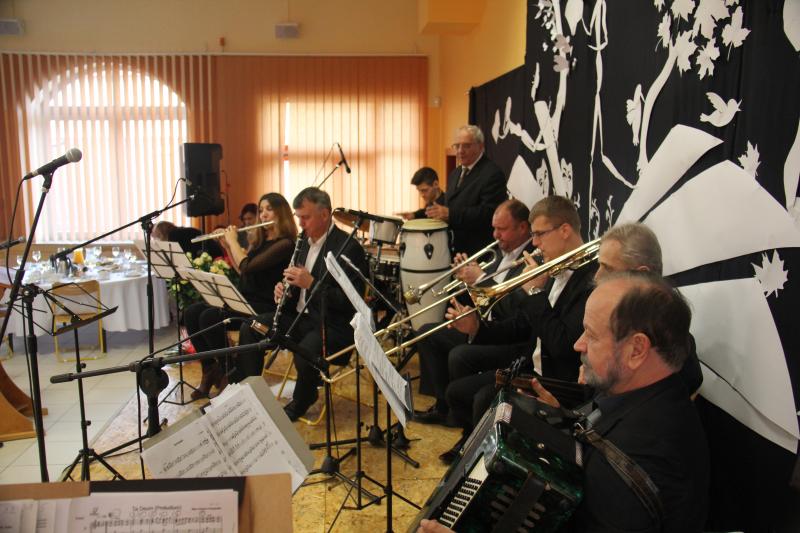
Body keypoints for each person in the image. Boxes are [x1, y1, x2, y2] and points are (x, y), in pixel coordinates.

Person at [418, 272, 709, 533]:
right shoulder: (652, 393)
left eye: (591, 335)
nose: (578, 344)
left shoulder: (629, 466)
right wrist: (563, 418)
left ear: (636, 350)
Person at [437, 195, 596, 462]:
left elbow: (562, 346)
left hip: (558, 381)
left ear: (565, 230)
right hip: (532, 366)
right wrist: (476, 327)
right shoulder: (552, 268)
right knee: (457, 392)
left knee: (484, 398)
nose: (534, 243)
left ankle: (488, 461)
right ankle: (473, 443)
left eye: (539, 234)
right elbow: (521, 326)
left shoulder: (589, 279)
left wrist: (535, 293)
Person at [236, 187, 369, 421]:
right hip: (299, 318)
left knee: (305, 351)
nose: (300, 223)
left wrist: (312, 284)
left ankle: (303, 399)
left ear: (325, 214)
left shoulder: (348, 248)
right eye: (298, 217)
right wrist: (283, 289)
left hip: (331, 324)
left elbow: (349, 302)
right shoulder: (303, 242)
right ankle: (250, 392)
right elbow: (295, 283)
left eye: (305, 217)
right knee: (251, 326)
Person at [414, 199, 535, 426]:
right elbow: (486, 299)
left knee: (458, 354)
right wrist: (467, 282)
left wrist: (479, 279)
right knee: (427, 333)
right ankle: (442, 407)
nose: (495, 235)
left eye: (502, 229)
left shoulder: (532, 259)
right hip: (485, 324)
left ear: (522, 227)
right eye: (494, 228)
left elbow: (512, 310)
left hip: (505, 336)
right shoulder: (500, 251)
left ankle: (462, 419)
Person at [183, 193, 297, 399]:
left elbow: (246, 265)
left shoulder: (285, 244)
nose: (263, 215)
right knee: (192, 312)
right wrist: (227, 245)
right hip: (247, 300)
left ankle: (229, 370)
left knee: (210, 317)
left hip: (266, 306)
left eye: (269, 209)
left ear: (282, 212)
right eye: (261, 210)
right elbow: (244, 271)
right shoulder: (261, 241)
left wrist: (233, 240)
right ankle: (210, 369)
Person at [425, 125, 508, 256]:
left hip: (477, 252)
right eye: (457, 146)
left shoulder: (492, 174)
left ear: (480, 146)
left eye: (466, 146)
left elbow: (489, 213)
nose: (460, 151)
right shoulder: (455, 173)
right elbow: (450, 203)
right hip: (453, 250)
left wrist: (451, 214)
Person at [152, 220, 223, 259]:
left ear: (161, 233)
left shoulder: (174, 236)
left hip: (211, 256)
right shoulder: (179, 232)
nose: (156, 240)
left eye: (157, 237)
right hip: (213, 253)